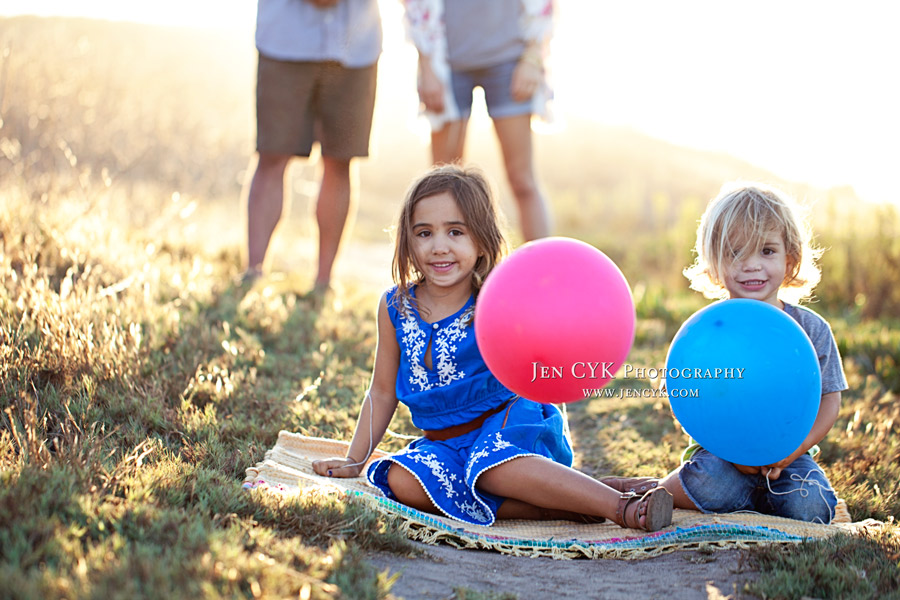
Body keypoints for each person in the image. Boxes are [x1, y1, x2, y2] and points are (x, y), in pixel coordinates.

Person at [311, 165, 674, 531]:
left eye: (456, 232)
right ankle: (570, 503)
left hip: (511, 427)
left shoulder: (495, 301)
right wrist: (355, 458)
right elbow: (382, 391)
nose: (439, 247)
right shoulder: (395, 306)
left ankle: (622, 507)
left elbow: (547, 343)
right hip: (447, 445)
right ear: (408, 240)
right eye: (424, 233)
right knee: (404, 483)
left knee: (494, 468)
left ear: (482, 241)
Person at [604, 182, 848, 524]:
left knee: (811, 507)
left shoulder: (812, 329)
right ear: (714, 263)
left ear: (789, 257)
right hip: (721, 455)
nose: (751, 266)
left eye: (766, 251)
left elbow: (829, 400)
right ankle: (646, 492)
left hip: (791, 456)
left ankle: (752, 497)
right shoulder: (709, 331)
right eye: (736, 253)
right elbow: (688, 394)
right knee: (713, 487)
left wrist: (788, 454)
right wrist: (731, 452)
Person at [241, 0, 382, 289]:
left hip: (356, 46)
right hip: (284, 41)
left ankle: (324, 281)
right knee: (272, 154)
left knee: (340, 160)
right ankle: (253, 273)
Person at [401, 0, 553, 242]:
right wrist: (427, 66)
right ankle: (443, 273)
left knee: (522, 180)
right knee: (441, 185)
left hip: (510, 60)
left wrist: (534, 57)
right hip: (446, 62)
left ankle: (545, 274)